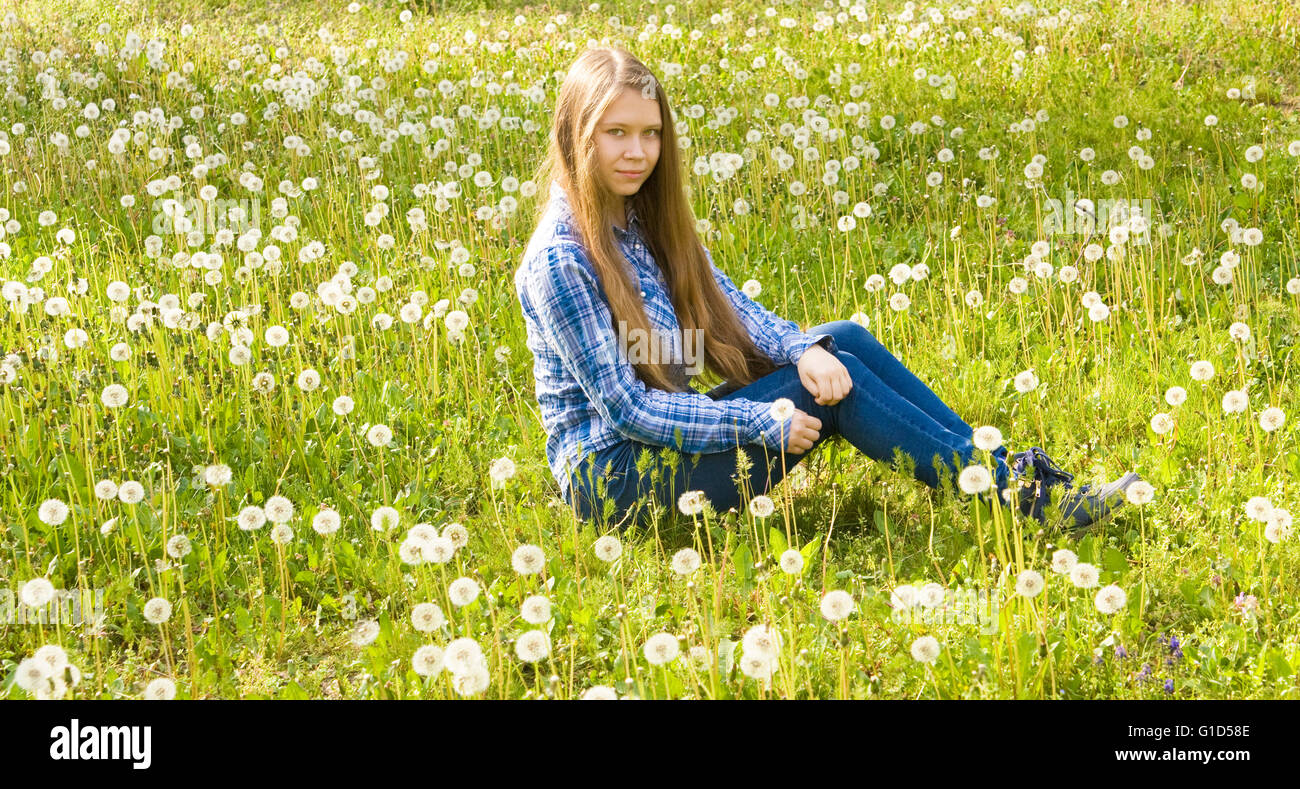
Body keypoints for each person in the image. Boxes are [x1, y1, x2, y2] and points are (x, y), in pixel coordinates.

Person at [515, 47, 1140, 533]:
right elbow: (630, 411)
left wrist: (802, 349)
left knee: (839, 342)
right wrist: (763, 422)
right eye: (616, 132)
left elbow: (731, 309)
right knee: (832, 395)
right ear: (578, 135)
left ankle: (1009, 475)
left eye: (650, 133)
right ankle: (1026, 499)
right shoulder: (560, 259)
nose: (638, 151)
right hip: (618, 479)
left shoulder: (644, 221)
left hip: (662, 447)